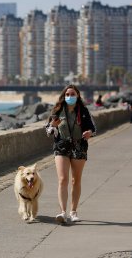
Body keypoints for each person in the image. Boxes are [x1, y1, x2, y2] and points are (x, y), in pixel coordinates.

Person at [45, 84, 96, 224]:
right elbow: (48, 130)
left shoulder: (84, 111)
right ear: (63, 96)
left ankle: (73, 212)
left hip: (79, 146)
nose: (70, 97)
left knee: (76, 180)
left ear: (78, 95)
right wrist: (53, 127)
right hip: (61, 146)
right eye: (67, 94)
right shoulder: (57, 110)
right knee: (63, 179)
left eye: (72, 94)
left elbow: (93, 128)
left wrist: (89, 133)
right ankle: (62, 212)